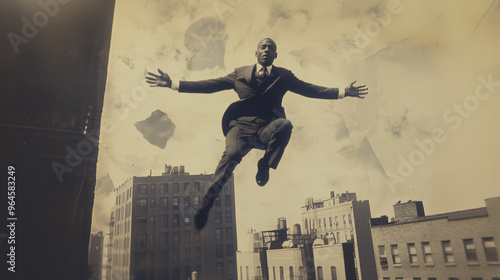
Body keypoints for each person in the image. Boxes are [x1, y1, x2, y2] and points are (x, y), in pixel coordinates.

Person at [146, 38, 368, 230]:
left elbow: (309, 89)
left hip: (265, 129)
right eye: (263, 47)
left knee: (286, 124)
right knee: (231, 156)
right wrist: (173, 84)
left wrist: (343, 92)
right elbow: (210, 85)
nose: (266, 50)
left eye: (270, 48)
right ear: (256, 52)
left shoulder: (284, 76)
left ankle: (265, 164)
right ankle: (206, 204)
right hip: (240, 128)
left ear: (275, 55)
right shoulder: (239, 73)